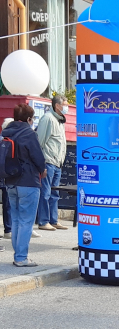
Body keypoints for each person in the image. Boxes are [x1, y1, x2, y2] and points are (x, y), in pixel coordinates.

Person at [3, 104, 48, 267]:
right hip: (28, 181)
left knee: (15, 219)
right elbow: (37, 156)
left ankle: (18, 255)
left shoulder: (6, 133)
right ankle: (21, 257)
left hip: (10, 181)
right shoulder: (29, 133)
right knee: (26, 221)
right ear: (29, 119)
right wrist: (42, 170)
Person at [35, 94, 68, 232]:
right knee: (46, 192)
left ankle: (53, 220)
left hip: (57, 163)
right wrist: (41, 163)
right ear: (57, 105)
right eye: (65, 104)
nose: (67, 107)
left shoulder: (59, 121)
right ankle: (43, 221)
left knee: (55, 194)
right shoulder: (48, 119)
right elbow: (39, 141)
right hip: (48, 161)